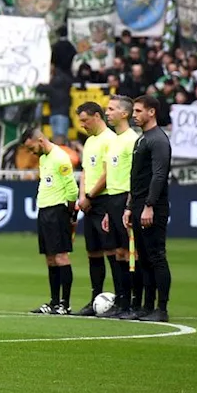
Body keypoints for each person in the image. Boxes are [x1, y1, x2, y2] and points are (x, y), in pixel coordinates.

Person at [124, 95, 172, 322]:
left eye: (138, 110)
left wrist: (149, 205)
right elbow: (136, 177)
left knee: (156, 256)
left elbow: (159, 176)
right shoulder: (142, 140)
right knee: (143, 258)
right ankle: (146, 306)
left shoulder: (159, 140)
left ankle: (161, 309)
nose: (134, 115)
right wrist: (129, 206)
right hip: (138, 206)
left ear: (152, 112)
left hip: (152, 207)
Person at [24, 125, 78, 315]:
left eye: (31, 148)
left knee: (61, 256)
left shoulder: (60, 157)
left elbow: (72, 189)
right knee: (49, 257)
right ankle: (54, 302)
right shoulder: (44, 158)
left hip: (58, 211)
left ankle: (65, 303)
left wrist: (71, 212)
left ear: (40, 140)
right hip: (45, 210)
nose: (31, 152)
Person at [74, 101, 118, 316]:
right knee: (93, 252)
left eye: (85, 120)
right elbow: (84, 172)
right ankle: (95, 299)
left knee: (112, 250)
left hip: (104, 200)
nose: (82, 125)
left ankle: (121, 299)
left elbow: (108, 172)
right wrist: (82, 196)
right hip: (89, 202)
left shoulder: (110, 140)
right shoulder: (90, 141)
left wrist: (90, 196)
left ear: (97, 116)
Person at [103, 96, 136, 319]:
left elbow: (136, 176)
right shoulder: (114, 140)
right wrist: (108, 210)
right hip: (112, 200)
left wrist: (130, 205)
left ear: (124, 114)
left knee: (131, 253)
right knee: (118, 253)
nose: (107, 112)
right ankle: (121, 299)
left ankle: (133, 301)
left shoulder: (131, 140)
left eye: (111, 109)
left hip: (125, 199)